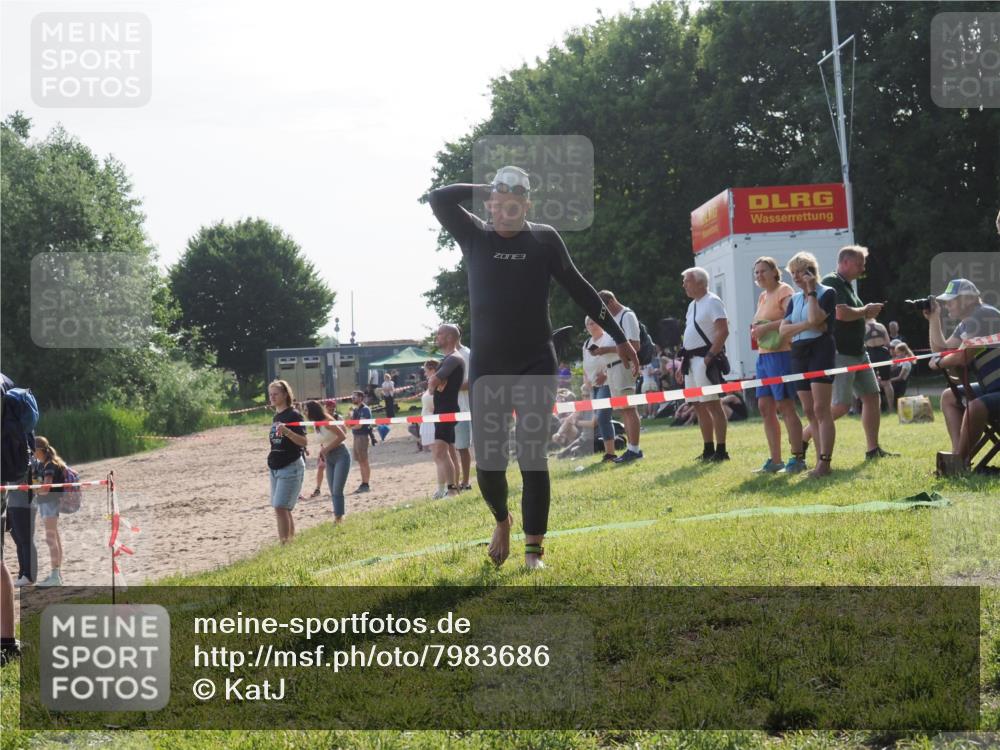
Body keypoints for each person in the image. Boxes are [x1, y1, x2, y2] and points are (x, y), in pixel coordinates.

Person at [428, 165, 636, 568]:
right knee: (489, 464)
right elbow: (438, 197)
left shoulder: (543, 239)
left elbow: (580, 288)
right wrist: (487, 186)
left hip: (536, 361)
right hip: (490, 365)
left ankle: (533, 551)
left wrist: (621, 338)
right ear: (490, 204)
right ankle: (502, 519)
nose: (507, 212)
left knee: (531, 455)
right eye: (499, 203)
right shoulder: (473, 234)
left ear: (527, 204)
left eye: (515, 204)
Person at [802, 245, 896, 460]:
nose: (862, 269)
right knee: (841, 406)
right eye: (859, 264)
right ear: (844, 262)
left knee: (872, 397)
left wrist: (864, 311)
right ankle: (803, 436)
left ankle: (873, 449)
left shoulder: (847, 285)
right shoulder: (832, 282)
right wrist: (865, 311)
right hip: (841, 352)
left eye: (863, 264)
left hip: (858, 352)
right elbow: (841, 313)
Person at [926, 278, 1000, 466]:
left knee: (975, 406)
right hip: (992, 388)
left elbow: (961, 357)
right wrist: (934, 319)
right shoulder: (967, 323)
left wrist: (940, 362)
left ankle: (957, 461)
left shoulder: (983, 315)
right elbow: (943, 349)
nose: (947, 304)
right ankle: (957, 457)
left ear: (967, 300)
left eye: (951, 300)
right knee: (949, 397)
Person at [780, 252, 838, 478]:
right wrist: (807, 325)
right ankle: (817, 460)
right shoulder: (794, 299)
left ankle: (825, 462)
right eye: (792, 272)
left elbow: (817, 319)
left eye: (799, 272)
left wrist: (812, 289)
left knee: (820, 408)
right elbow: (783, 331)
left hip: (820, 350)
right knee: (808, 410)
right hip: (799, 352)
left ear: (810, 271)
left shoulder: (827, 293)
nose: (795, 277)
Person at [750, 256, 805, 473]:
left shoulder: (785, 291)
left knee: (785, 406)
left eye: (763, 271)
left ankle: (798, 458)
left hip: (782, 355)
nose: (759, 275)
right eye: (756, 272)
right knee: (765, 407)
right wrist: (757, 330)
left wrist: (765, 329)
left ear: (775, 271)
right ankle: (775, 460)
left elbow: (792, 318)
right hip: (764, 357)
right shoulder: (763, 296)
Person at [679, 267, 731, 462]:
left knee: (712, 404)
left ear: (700, 282)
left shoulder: (713, 301)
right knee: (698, 405)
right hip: (691, 361)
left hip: (704, 359)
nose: (684, 285)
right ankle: (708, 448)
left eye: (687, 281)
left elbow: (723, 330)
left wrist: (709, 357)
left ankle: (721, 449)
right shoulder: (692, 305)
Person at [596, 290, 643, 464]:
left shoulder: (627, 316)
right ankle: (632, 448)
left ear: (611, 302)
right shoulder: (614, 319)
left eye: (603, 308)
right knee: (624, 409)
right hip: (613, 369)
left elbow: (635, 346)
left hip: (623, 367)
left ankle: (634, 449)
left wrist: (605, 350)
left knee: (629, 408)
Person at [427, 324, 465, 499]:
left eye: (439, 334)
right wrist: (436, 385)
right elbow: (436, 381)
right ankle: (450, 489)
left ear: (450, 337)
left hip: (447, 410)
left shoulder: (454, 359)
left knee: (440, 452)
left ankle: (451, 491)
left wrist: (434, 387)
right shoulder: (449, 359)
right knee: (445, 452)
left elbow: (434, 380)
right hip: (443, 410)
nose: (437, 337)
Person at [267, 379, 307, 543]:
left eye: (276, 394)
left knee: (281, 507)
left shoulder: (294, 415)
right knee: (281, 508)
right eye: (270, 394)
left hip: (290, 466)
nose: (272, 397)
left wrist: (288, 432)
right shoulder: (276, 416)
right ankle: (289, 542)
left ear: (285, 394)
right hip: (275, 466)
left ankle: (285, 543)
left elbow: (303, 442)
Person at [31, 436, 68, 587]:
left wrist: (33, 490)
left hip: (49, 503)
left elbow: (46, 489)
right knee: (55, 538)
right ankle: (56, 574)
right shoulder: (47, 464)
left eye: (33, 450)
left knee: (51, 539)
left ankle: (55, 576)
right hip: (50, 503)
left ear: (39, 450)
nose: (33, 453)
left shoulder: (49, 466)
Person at [305, 400, 350, 522]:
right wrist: (322, 451)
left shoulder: (326, 421)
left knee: (337, 488)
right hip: (329, 457)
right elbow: (324, 440)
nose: (305, 413)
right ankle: (338, 516)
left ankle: (339, 517)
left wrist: (327, 449)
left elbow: (342, 436)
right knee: (332, 489)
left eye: (306, 410)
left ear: (312, 411)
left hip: (341, 454)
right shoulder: (317, 424)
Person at [582, 316, 618, 461]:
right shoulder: (586, 344)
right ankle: (609, 451)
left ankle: (610, 453)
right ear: (587, 328)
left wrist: (605, 375)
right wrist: (586, 384)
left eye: (594, 322)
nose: (592, 325)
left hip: (607, 383)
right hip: (593, 387)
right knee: (602, 418)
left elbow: (615, 359)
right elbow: (585, 366)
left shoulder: (608, 338)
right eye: (589, 324)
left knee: (603, 417)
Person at [454, 328, 473, 491]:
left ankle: (466, 482)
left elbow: (473, 380)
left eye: (441, 334)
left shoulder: (465, 354)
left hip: (464, 408)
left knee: (462, 447)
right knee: (456, 447)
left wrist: (450, 387)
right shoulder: (450, 356)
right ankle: (457, 481)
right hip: (453, 408)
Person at [865, 314, 895, 412]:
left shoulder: (863, 327)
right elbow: (888, 343)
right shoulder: (881, 326)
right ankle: (891, 408)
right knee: (887, 382)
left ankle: (874, 409)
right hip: (883, 354)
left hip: (870, 354)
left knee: (870, 383)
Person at [349, 391, 373, 493]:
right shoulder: (356, 410)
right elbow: (352, 423)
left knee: (364, 460)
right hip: (356, 436)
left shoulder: (365, 409)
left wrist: (349, 426)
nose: (352, 398)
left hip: (362, 436)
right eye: (352, 397)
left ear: (360, 398)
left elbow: (360, 425)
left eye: (354, 397)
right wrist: (350, 416)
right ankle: (363, 482)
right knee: (360, 461)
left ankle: (366, 484)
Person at [418, 361, 438, 455]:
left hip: (432, 422)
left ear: (432, 370)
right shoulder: (431, 383)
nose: (425, 374)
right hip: (427, 420)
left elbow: (433, 406)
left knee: (438, 454)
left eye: (426, 371)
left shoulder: (436, 382)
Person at [889, 342, 915, 407]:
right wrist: (894, 365)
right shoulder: (899, 362)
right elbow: (891, 370)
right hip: (894, 383)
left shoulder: (906, 363)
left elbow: (900, 377)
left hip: (899, 385)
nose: (896, 355)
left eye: (898, 352)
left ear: (903, 352)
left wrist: (889, 380)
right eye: (896, 353)